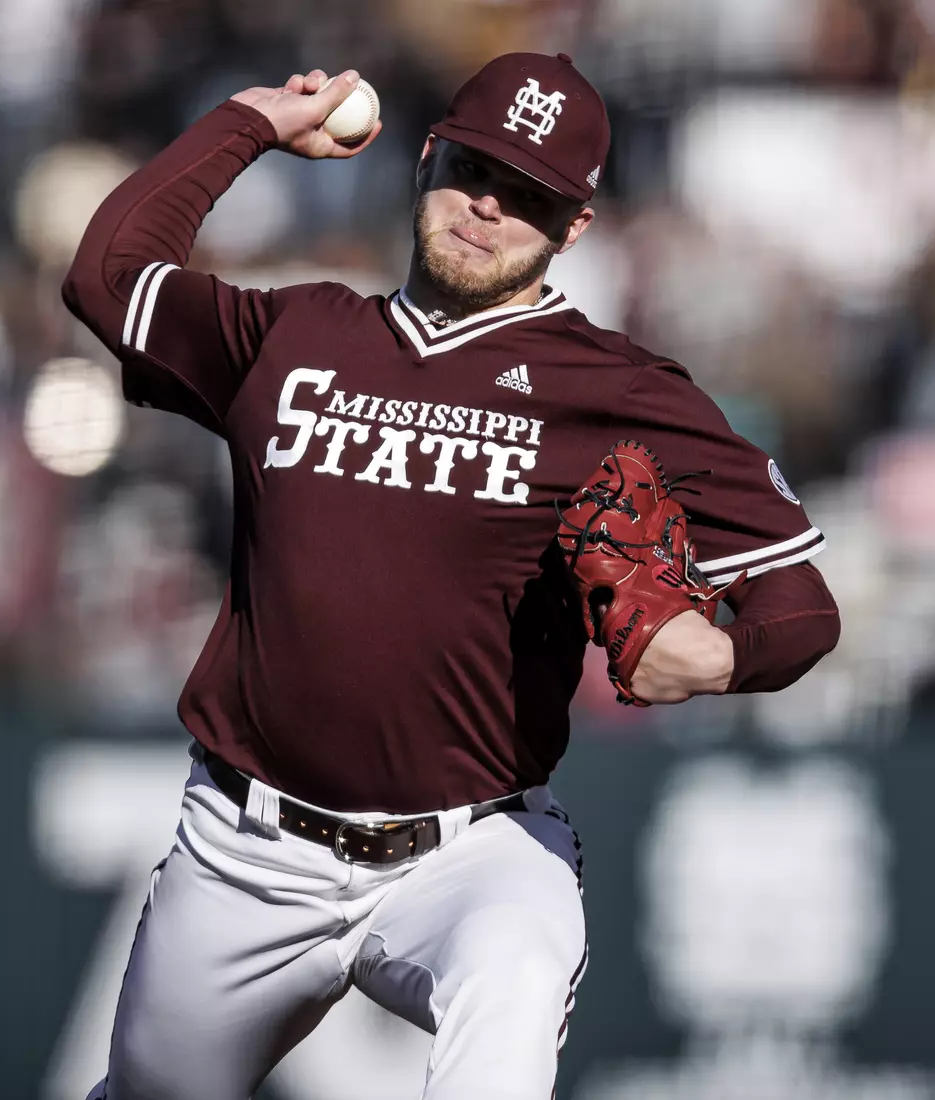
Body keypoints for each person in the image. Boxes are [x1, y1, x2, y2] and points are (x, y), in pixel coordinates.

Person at [62, 54, 839, 1100]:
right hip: (246, 848)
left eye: (530, 196)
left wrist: (724, 657)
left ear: (573, 229)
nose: (489, 205)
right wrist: (248, 122)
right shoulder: (294, 336)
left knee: (512, 979)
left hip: (472, 850)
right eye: (477, 167)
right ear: (429, 156)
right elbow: (106, 277)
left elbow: (802, 606)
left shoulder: (620, 393)